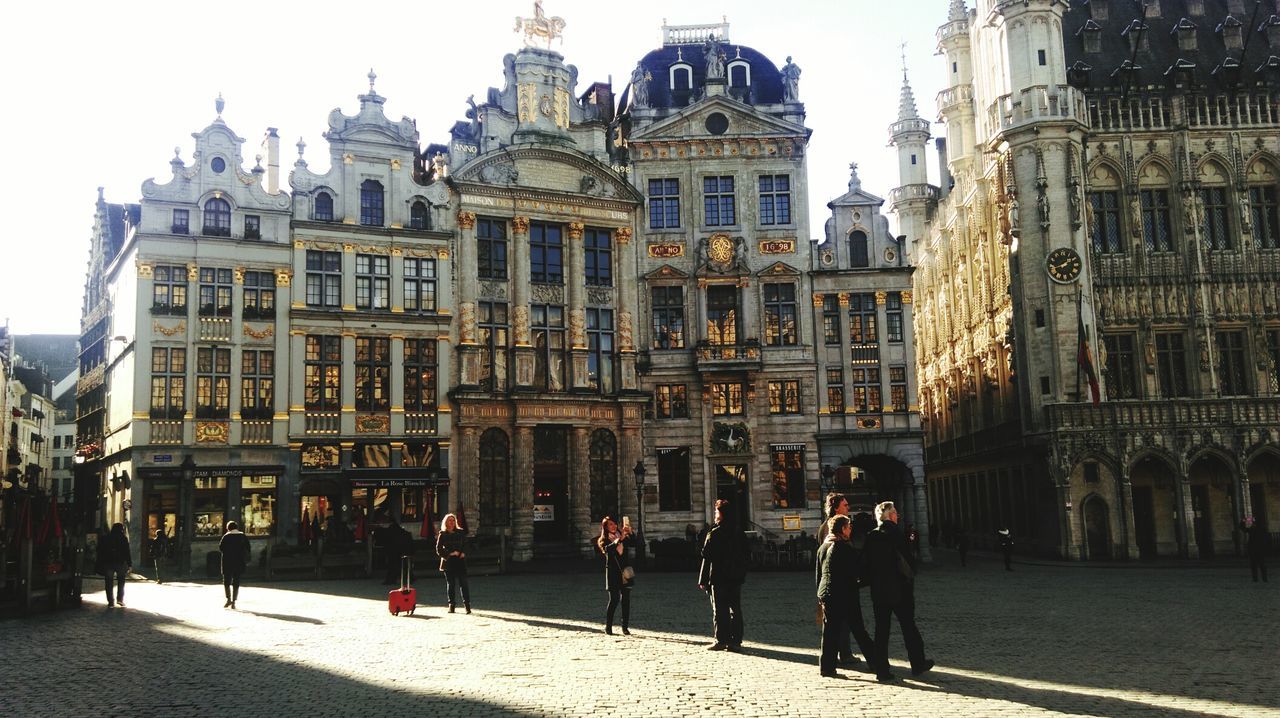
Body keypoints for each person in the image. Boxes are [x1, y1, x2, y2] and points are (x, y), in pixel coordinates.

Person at [864, 501, 933, 681]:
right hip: (900, 589)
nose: (897, 516)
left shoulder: (871, 536)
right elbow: (907, 561)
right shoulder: (897, 534)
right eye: (895, 513)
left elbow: (865, 564)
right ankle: (917, 663)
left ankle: (882, 670)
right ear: (889, 516)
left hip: (879, 591)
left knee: (881, 631)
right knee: (909, 627)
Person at [698, 499, 747, 651]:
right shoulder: (739, 532)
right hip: (735, 577)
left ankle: (721, 639)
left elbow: (705, 554)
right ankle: (736, 641)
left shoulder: (715, 533)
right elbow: (747, 554)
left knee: (719, 610)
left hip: (718, 577)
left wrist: (703, 579)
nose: (714, 514)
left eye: (716, 512)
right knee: (735, 609)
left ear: (721, 514)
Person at [816, 515, 856, 677]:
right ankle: (829, 667)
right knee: (835, 631)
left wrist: (818, 595)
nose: (850, 529)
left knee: (829, 631)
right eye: (849, 526)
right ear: (842, 529)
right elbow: (851, 573)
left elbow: (818, 574)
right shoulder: (842, 547)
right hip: (838, 593)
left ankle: (826, 665)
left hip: (825, 592)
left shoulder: (823, 547)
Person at [597, 516, 635, 635]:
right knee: (614, 600)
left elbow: (634, 543)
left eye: (614, 524)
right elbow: (608, 550)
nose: (613, 526)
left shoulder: (623, 535)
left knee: (626, 600)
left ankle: (625, 627)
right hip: (613, 573)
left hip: (625, 572)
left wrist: (631, 532)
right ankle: (608, 627)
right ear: (606, 528)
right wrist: (619, 540)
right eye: (610, 524)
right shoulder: (604, 540)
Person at [436, 513, 471, 613]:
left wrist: (463, 552)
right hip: (448, 561)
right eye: (449, 520)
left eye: (453, 520)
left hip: (460, 561)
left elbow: (466, 544)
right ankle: (451, 605)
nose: (451, 522)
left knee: (464, 583)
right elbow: (438, 549)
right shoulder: (442, 534)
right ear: (446, 522)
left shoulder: (460, 532)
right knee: (451, 584)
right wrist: (450, 553)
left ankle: (467, 605)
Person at [219, 520, 251, 609]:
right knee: (236, 581)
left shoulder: (226, 536)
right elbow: (248, 548)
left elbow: (221, 548)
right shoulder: (242, 536)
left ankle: (228, 599)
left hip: (227, 561)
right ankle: (234, 601)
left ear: (228, 528)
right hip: (239, 561)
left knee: (226, 581)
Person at [100, 523, 132, 608]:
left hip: (108, 562)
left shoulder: (106, 538)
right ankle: (120, 599)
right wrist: (129, 564)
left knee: (109, 582)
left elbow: (101, 551)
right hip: (120, 562)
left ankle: (111, 602)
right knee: (121, 582)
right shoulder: (123, 538)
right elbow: (127, 552)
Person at [1245, 517, 1270, 583]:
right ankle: (1264, 579)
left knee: (1254, 565)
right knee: (1262, 565)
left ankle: (1255, 579)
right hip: (1260, 549)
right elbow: (1267, 539)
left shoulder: (1251, 529)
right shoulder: (1263, 529)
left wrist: (1245, 519)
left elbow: (1242, 527)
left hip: (1253, 550)